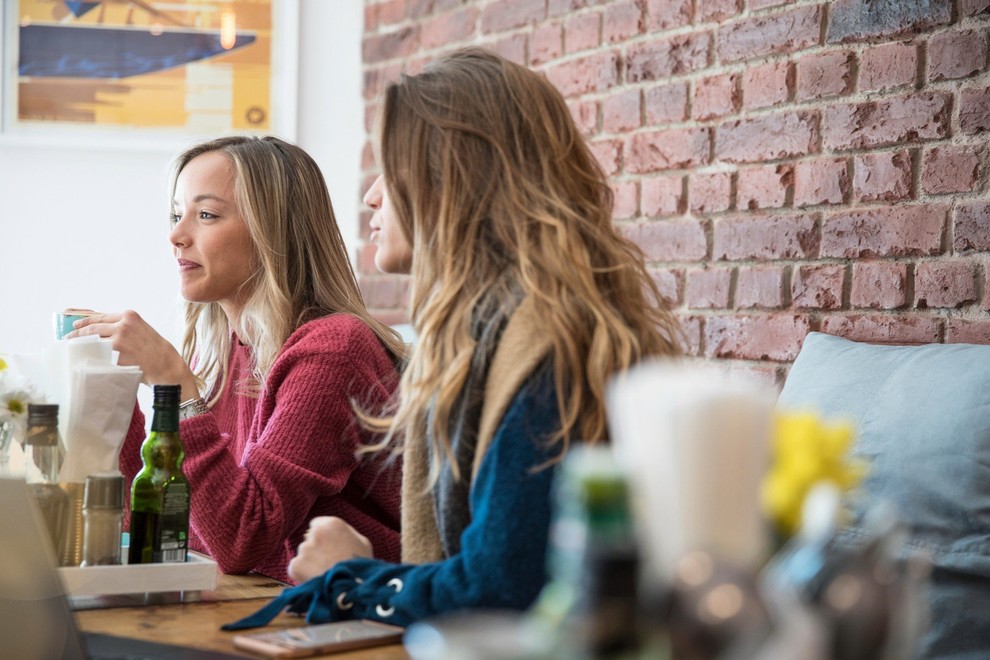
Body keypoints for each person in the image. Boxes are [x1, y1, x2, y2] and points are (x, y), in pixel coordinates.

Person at [223, 47, 682, 631]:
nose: (371, 196)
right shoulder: (490, 332)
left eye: (391, 169)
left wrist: (352, 577)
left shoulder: (543, 350)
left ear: (450, 179)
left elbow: (500, 588)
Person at [69, 136, 406, 583]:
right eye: (176, 214)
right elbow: (146, 522)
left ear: (274, 233)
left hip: (371, 619)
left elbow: (243, 539)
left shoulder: (332, 351)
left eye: (206, 215)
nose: (176, 235)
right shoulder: (226, 359)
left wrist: (175, 384)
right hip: (272, 605)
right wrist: (113, 385)